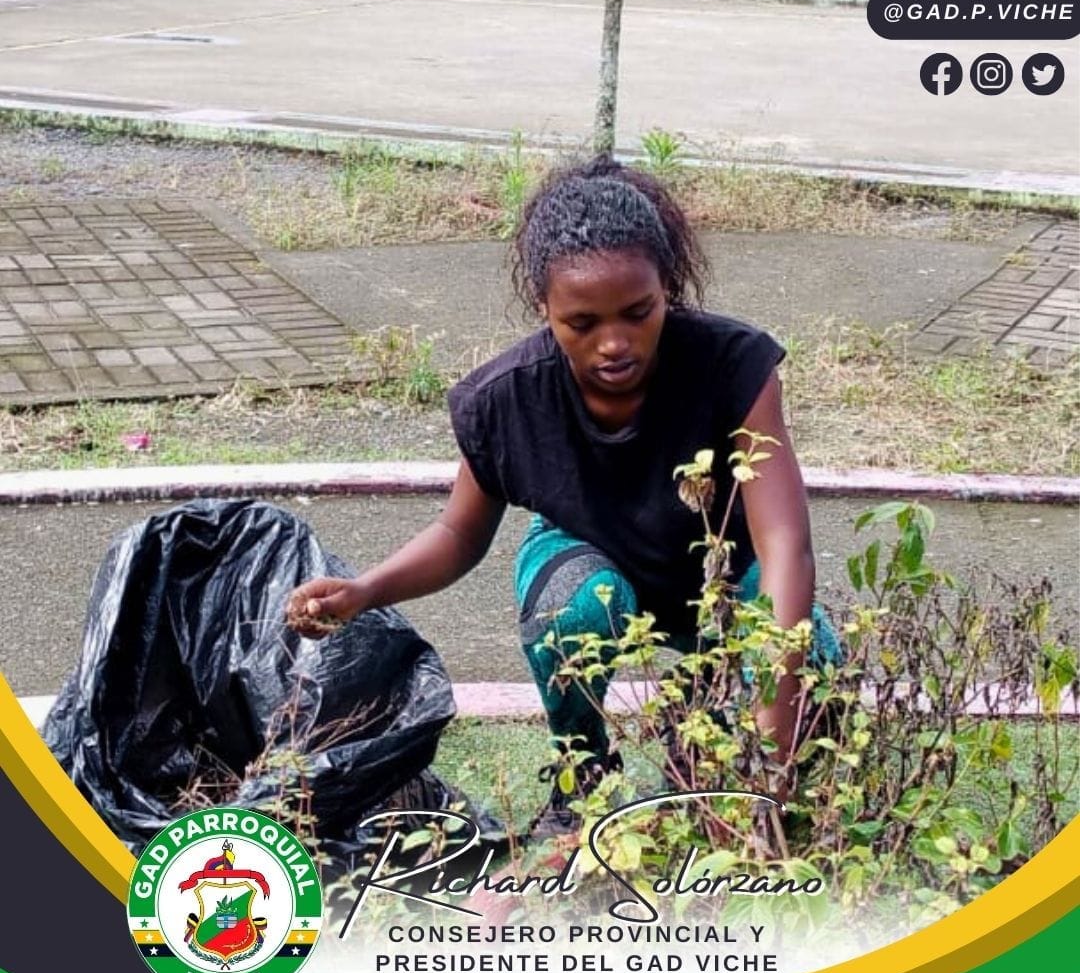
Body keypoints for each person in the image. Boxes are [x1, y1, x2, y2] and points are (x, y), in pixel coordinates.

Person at [287, 155, 834, 837]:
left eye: (638, 312)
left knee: (815, 668)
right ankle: (582, 777)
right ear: (544, 308)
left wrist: (772, 742)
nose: (614, 343)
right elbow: (459, 534)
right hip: (592, 562)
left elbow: (784, 545)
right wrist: (365, 591)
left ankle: (700, 750)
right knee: (568, 606)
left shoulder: (735, 365)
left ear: (667, 287)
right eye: (582, 323)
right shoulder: (505, 400)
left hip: (723, 570)